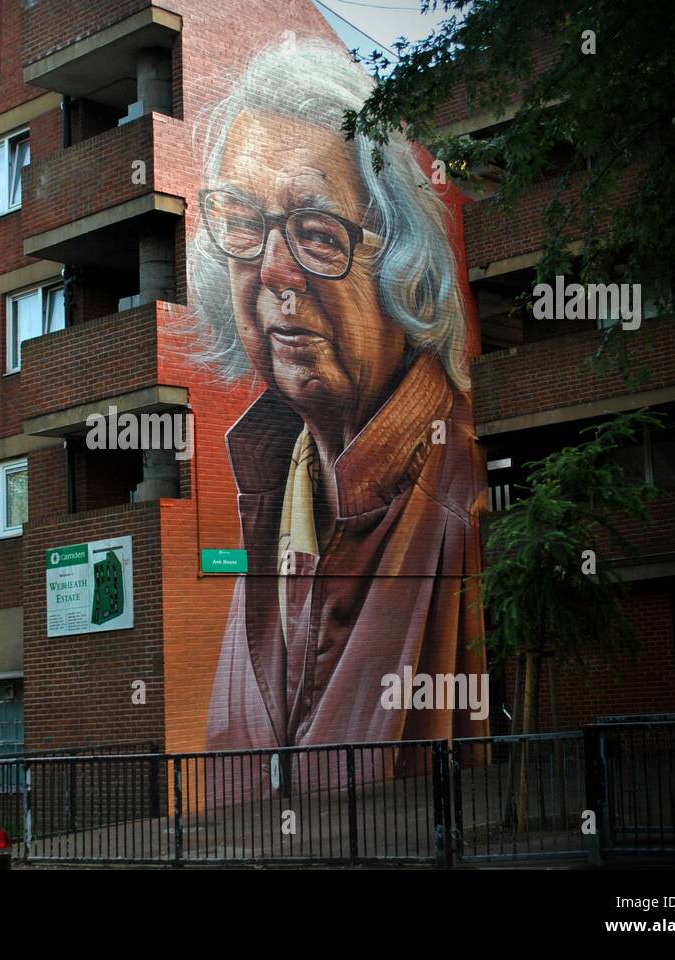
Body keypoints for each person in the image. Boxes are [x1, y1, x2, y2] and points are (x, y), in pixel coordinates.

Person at [190, 37, 489, 764]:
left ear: (402, 263)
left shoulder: (462, 499)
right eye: (245, 226)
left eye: (317, 235)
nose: (275, 273)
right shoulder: (267, 481)